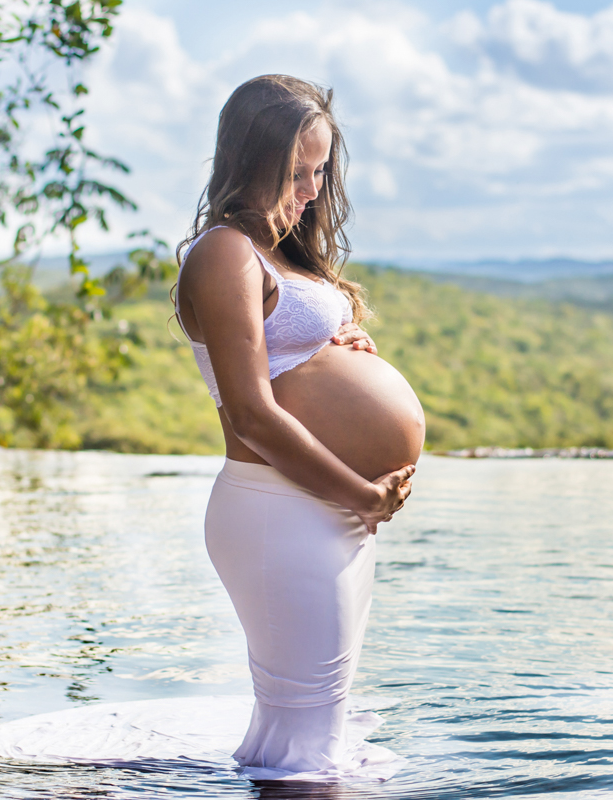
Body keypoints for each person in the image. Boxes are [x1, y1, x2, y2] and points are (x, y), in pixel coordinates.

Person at [172, 74, 426, 778]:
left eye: (320, 170)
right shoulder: (226, 251)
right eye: (296, 171)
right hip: (285, 509)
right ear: (248, 159)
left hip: (323, 512)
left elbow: (292, 362)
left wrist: (343, 349)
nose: (313, 188)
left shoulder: (283, 252)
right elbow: (252, 413)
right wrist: (360, 493)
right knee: (305, 748)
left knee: (310, 732)